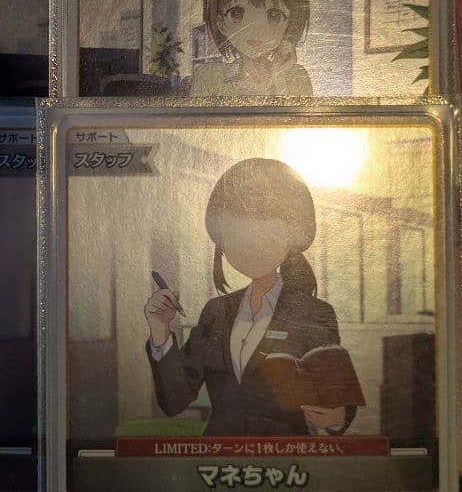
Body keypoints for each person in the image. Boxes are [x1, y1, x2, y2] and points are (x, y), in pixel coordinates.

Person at [144, 158, 355, 436]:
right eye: (237, 234)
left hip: (285, 454)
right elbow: (174, 401)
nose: (251, 246)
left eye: (264, 233)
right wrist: (160, 331)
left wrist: (337, 417)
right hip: (221, 455)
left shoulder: (314, 313)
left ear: (291, 237)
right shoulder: (216, 313)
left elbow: (337, 399)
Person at [190, 0, 313, 97]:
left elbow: (298, 114)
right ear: (221, 24)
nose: (255, 28)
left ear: (289, 24)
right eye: (237, 13)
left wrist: (279, 78)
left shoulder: (297, 78)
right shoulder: (209, 78)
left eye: (274, 15)